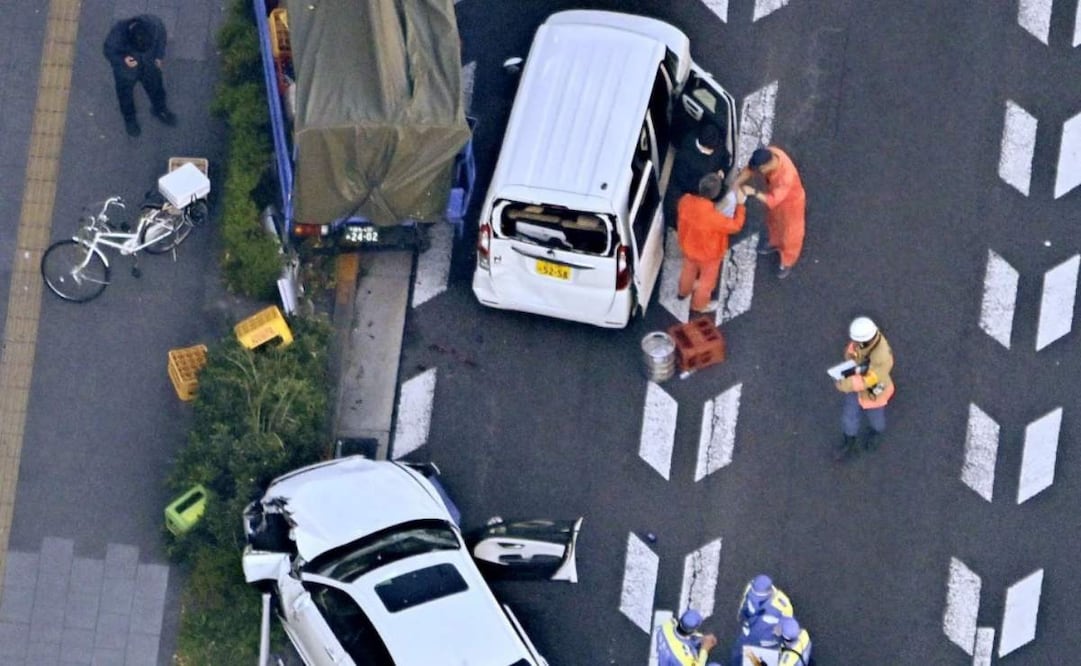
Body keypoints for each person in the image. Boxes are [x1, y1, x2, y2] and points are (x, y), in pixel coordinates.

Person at [676, 174, 746, 315]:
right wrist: (740, 205)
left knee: (688, 270)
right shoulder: (715, 218)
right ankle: (699, 305)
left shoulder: (685, 201)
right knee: (706, 283)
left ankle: (683, 291)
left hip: (688, 247)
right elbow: (736, 226)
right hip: (709, 255)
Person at [734, 146, 806, 279]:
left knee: (791, 235)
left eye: (760, 170)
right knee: (773, 223)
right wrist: (735, 185)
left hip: (791, 206)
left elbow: (772, 200)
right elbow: (750, 170)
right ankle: (774, 243)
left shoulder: (786, 177)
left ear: (767, 165)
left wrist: (752, 191)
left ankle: (787, 261)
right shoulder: (770, 153)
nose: (759, 173)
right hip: (777, 202)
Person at [103, 15, 177, 137]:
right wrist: (123, 59)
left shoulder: (155, 25)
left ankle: (160, 109)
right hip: (126, 72)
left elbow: (162, 35)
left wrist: (159, 55)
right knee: (125, 97)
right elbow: (108, 50)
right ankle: (130, 119)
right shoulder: (117, 33)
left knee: (157, 89)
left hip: (149, 66)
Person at [833, 316, 895, 461]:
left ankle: (876, 433)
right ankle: (850, 443)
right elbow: (851, 353)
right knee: (849, 417)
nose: (854, 344)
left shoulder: (882, 355)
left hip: (874, 392)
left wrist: (847, 384)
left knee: (876, 419)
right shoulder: (863, 343)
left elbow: (872, 378)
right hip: (858, 386)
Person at [665, 123, 727, 227]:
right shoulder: (686, 154)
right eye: (711, 150)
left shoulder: (716, 141)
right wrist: (704, 186)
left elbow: (724, 156)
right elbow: (682, 180)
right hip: (695, 188)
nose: (713, 151)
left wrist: (722, 170)